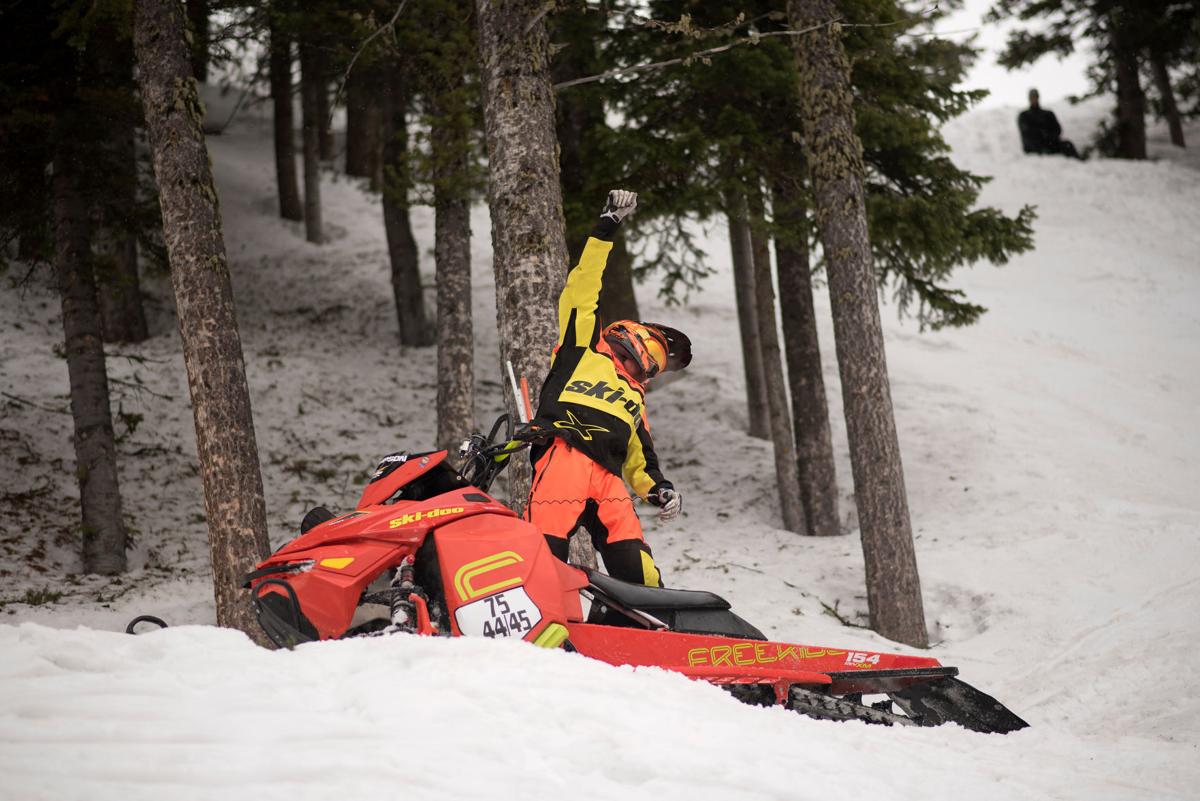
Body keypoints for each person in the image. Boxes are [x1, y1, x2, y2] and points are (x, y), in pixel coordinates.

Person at [525, 189, 691, 588]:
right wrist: (606, 227)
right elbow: (581, 292)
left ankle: (653, 629)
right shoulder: (583, 348)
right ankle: (540, 624)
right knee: (543, 556)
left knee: (636, 565)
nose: (648, 371)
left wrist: (660, 490)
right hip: (564, 456)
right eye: (649, 360)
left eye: (655, 369)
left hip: (608, 478)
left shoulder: (635, 396)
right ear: (632, 340)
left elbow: (641, 458)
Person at [1018, 89, 1083, 159]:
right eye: (1032, 97)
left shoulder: (1048, 114)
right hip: (1034, 147)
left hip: (1050, 143)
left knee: (1067, 145)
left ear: (1038, 98)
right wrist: (1041, 134)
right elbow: (1026, 133)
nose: (1034, 99)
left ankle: (1080, 163)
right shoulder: (1024, 115)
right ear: (1029, 99)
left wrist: (1050, 137)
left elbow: (1058, 129)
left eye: (1035, 97)